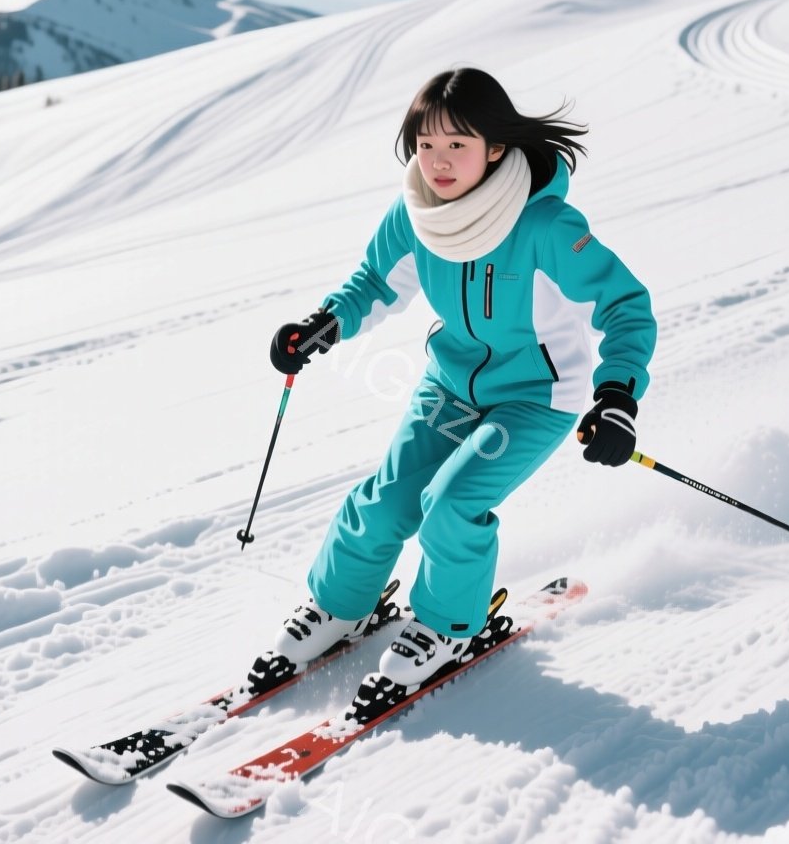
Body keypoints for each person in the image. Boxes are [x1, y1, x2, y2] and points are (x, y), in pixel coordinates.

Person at [265, 67, 657, 686]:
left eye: (457, 145)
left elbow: (625, 307)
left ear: (495, 147)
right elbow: (374, 281)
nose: (439, 162)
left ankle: (448, 626)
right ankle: (338, 606)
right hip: (449, 385)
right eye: (426, 144)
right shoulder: (416, 212)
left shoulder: (544, 228)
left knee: (451, 503)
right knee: (384, 501)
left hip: (535, 398)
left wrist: (617, 397)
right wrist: (325, 324)